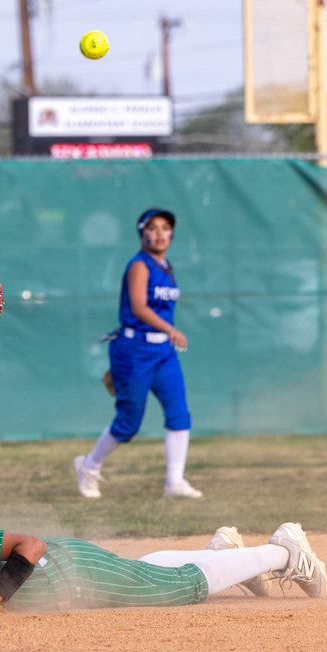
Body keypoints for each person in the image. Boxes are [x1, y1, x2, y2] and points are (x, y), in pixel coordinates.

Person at [0, 450, 327, 613]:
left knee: (178, 588)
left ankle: (283, 551)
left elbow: (32, 546)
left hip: (70, 576)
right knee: (142, 572)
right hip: (68, 575)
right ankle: (222, 552)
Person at [74, 208, 201, 500]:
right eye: (152, 227)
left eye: (165, 227)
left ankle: (174, 483)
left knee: (179, 414)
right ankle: (89, 467)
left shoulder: (167, 265)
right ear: (142, 233)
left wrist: (167, 334)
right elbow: (138, 307)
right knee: (128, 424)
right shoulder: (140, 265)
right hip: (134, 349)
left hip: (163, 351)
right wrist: (171, 329)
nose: (159, 233)